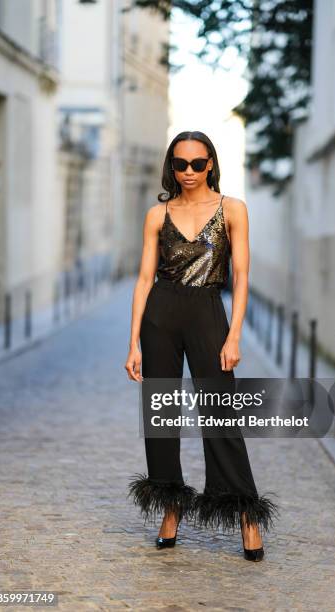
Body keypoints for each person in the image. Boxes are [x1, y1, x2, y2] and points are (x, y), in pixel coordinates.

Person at [125, 130, 279, 561]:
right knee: (160, 415)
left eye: (196, 163)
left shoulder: (232, 209)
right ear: (171, 166)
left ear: (210, 162)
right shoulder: (158, 215)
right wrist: (133, 341)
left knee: (220, 414)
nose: (188, 172)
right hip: (161, 314)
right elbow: (143, 280)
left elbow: (242, 277)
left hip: (209, 312)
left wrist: (234, 335)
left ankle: (247, 516)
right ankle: (171, 509)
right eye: (180, 164)